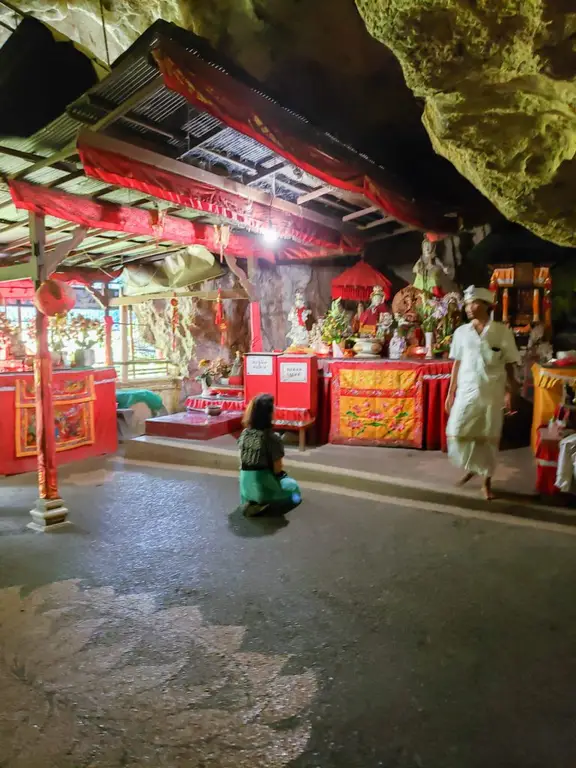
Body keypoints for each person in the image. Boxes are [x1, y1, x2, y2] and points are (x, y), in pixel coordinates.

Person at [445, 285, 521, 500]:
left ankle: (486, 482)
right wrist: (450, 393)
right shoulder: (461, 332)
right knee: (457, 430)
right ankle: (474, 466)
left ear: (487, 306)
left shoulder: (501, 331)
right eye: (467, 304)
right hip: (467, 389)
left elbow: (509, 364)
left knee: (489, 436)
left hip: (492, 390)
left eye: (474, 303)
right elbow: (456, 363)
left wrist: (510, 392)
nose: (469, 308)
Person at [238, 393, 302, 517]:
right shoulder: (272, 438)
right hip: (263, 485)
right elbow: (277, 469)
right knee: (293, 488)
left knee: (253, 485)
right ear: (268, 414)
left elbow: (242, 460)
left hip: (244, 485)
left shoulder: (244, 434)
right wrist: (282, 477)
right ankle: (264, 503)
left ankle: (250, 501)